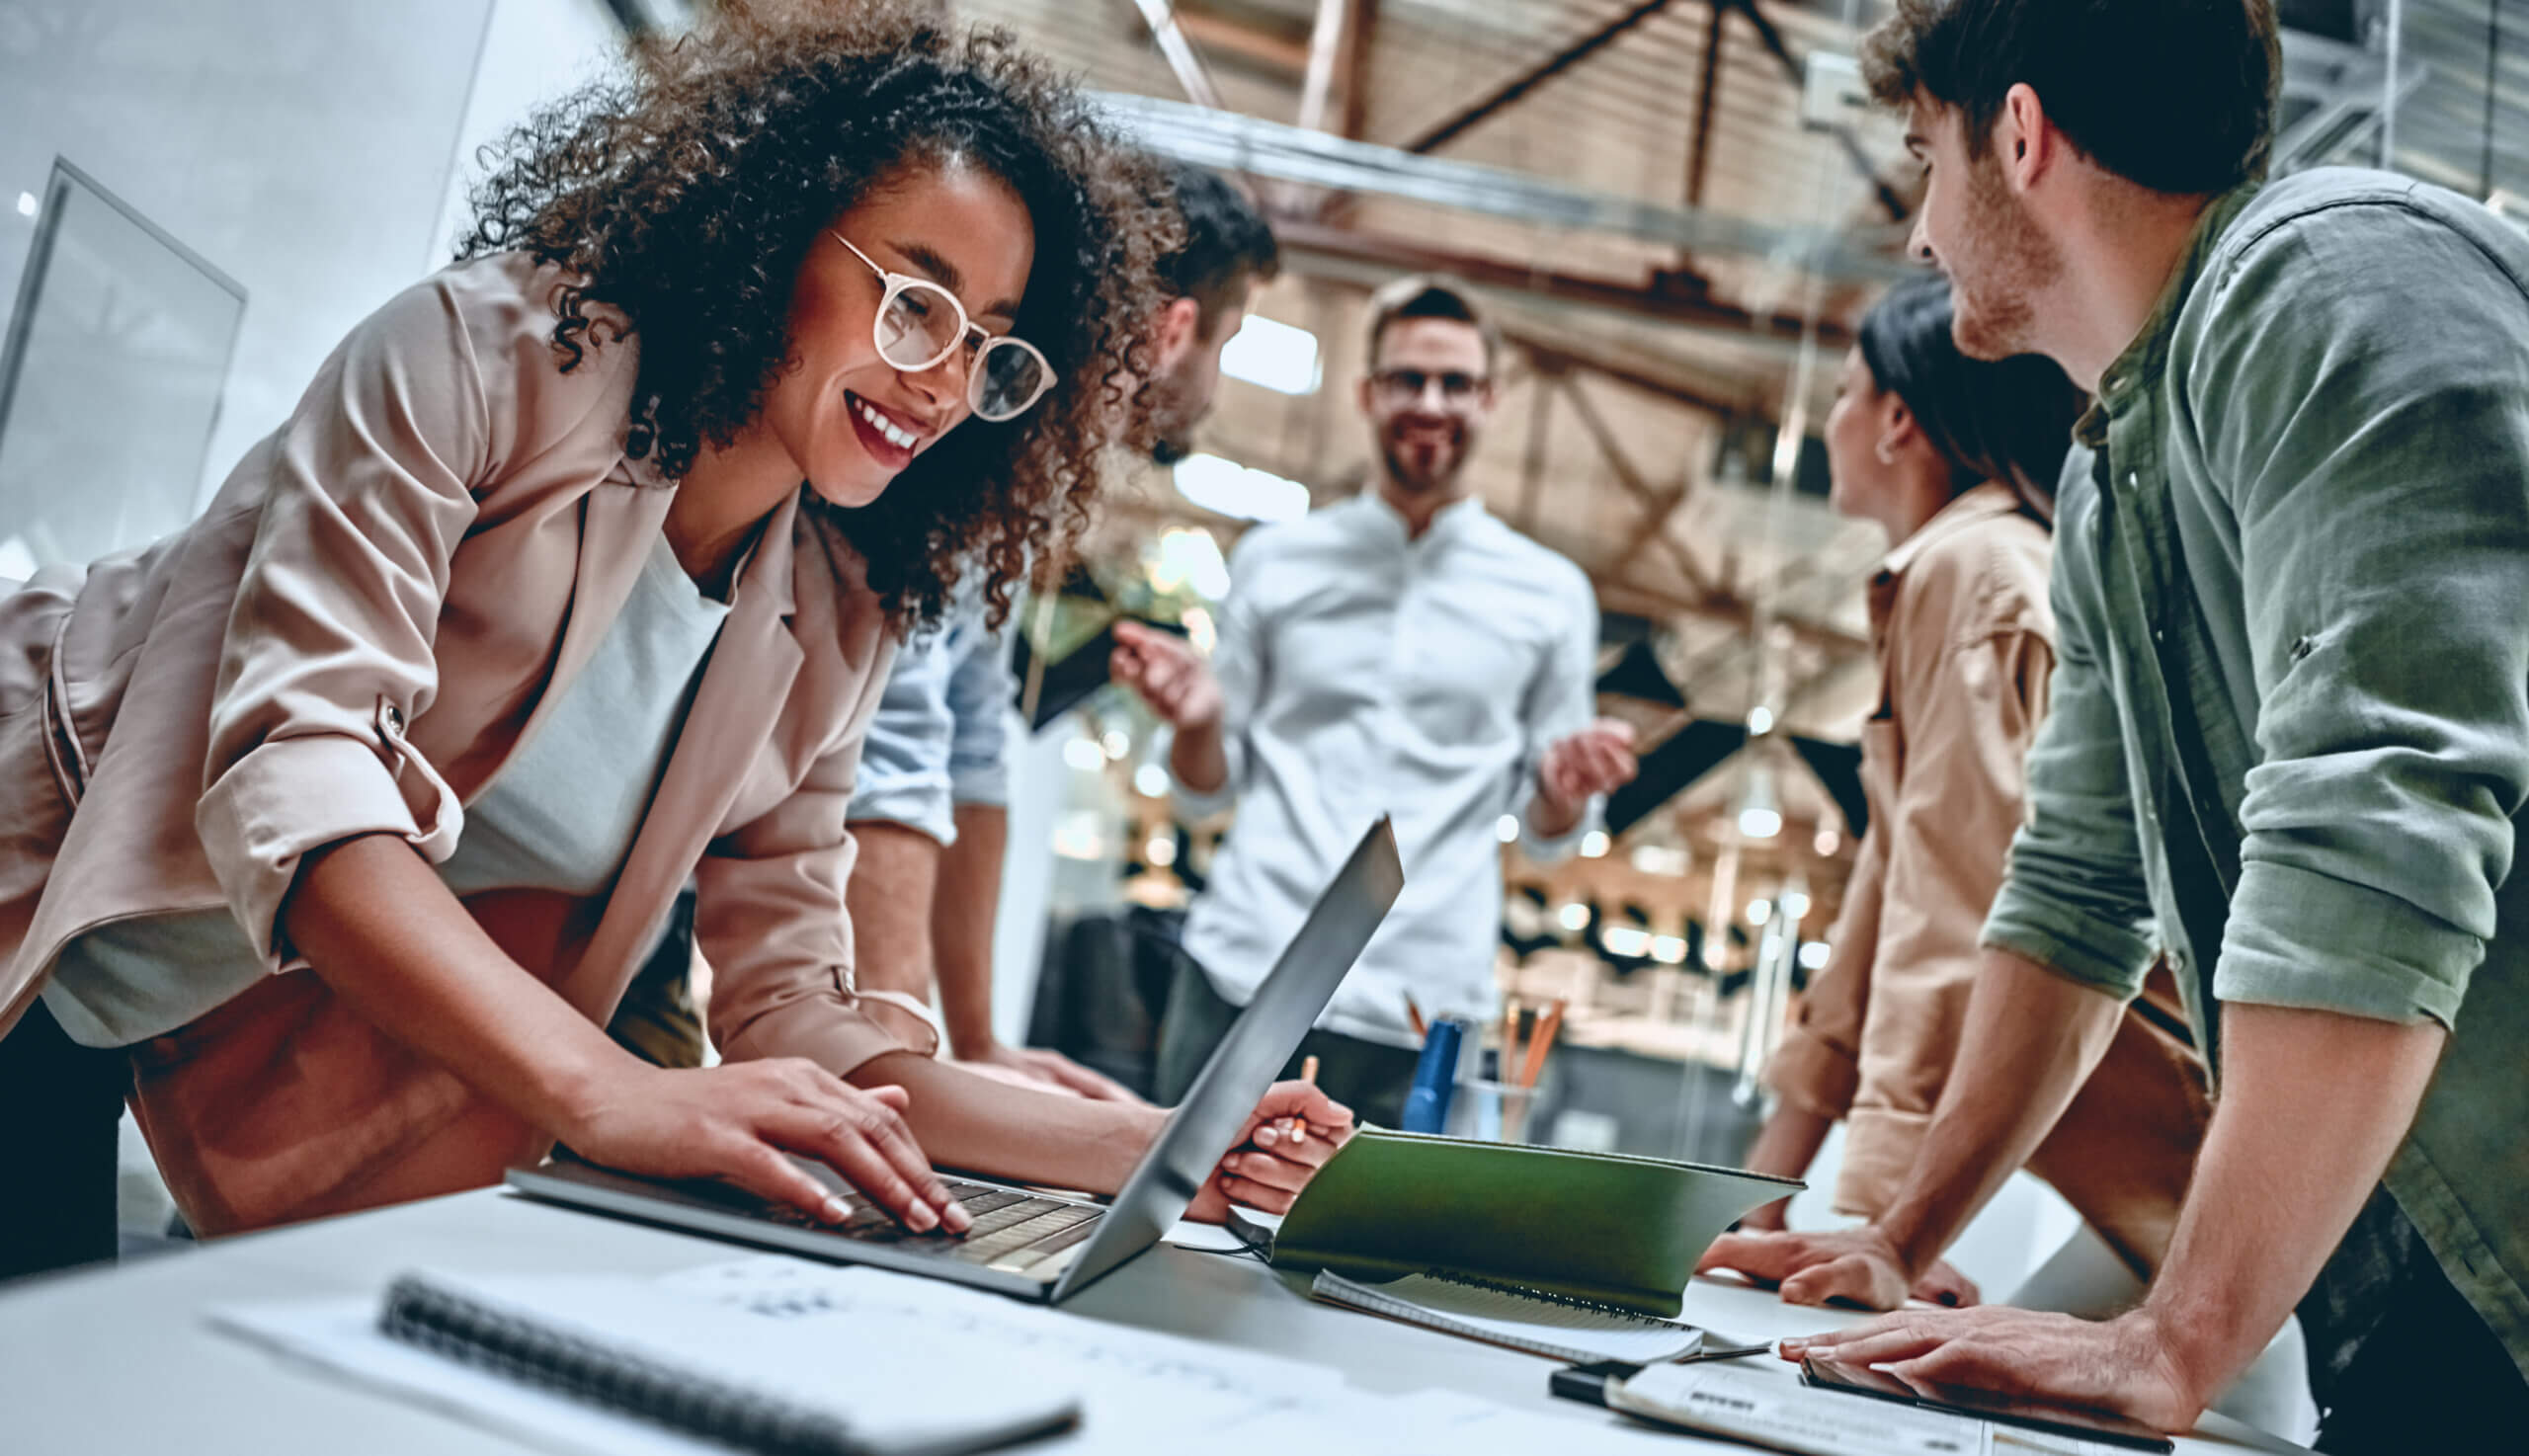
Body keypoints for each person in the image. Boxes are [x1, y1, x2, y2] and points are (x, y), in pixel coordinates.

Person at [0, 3, 1345, 1282]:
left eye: (990, 346)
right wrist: (618, 1090)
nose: (941, 381)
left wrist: (1166, 1147)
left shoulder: (833, 610)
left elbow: (798, 1013)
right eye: (915, 302)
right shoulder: (478, 360)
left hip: (191, 1012)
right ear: (773, 236)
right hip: (31, 892)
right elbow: (303, 783)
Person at [1712, 2, 2529, 1446]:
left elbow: (2379, 824)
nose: (1918, 234)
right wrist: (1902, 1230)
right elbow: (2078, 884)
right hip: (2431, 1257)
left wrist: (2177, 1334)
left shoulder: (2336, 277)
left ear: (2017, 137)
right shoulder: (2111, 474)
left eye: (1924, 161)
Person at [1724, 274, 2208, 1314]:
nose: (1830, 419)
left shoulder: (1974, 573)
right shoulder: (1953, 572)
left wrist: (1880, 1226)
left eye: (1844, 390)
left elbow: (1957, 905)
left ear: (1899, 419)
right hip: (2142, 1162)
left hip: (2178, 1146)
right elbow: (1879, 909)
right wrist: (1761, 1194)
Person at [1113, 275, 1640, 1128]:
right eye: (1406, 379)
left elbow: (1551, 838)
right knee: (1174, 1230)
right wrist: (1201, 723)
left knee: (1374, 1259)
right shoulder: (1277, 561)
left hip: (1424, 1004)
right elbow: (1205, 787)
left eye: (1456, 383)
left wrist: (1564, 790)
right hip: (1247, 970)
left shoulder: (1552, 595)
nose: (1430, 403)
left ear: (1491, 400)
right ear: (1366, 393)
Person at [837, 160, 1281, 1098]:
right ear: (1175, 330)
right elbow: (900, 742)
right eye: (1228, 344)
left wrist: (975, 1042)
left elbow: (971, 742)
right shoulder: (977, 431)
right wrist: (910, 1073)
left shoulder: (1032, 474)